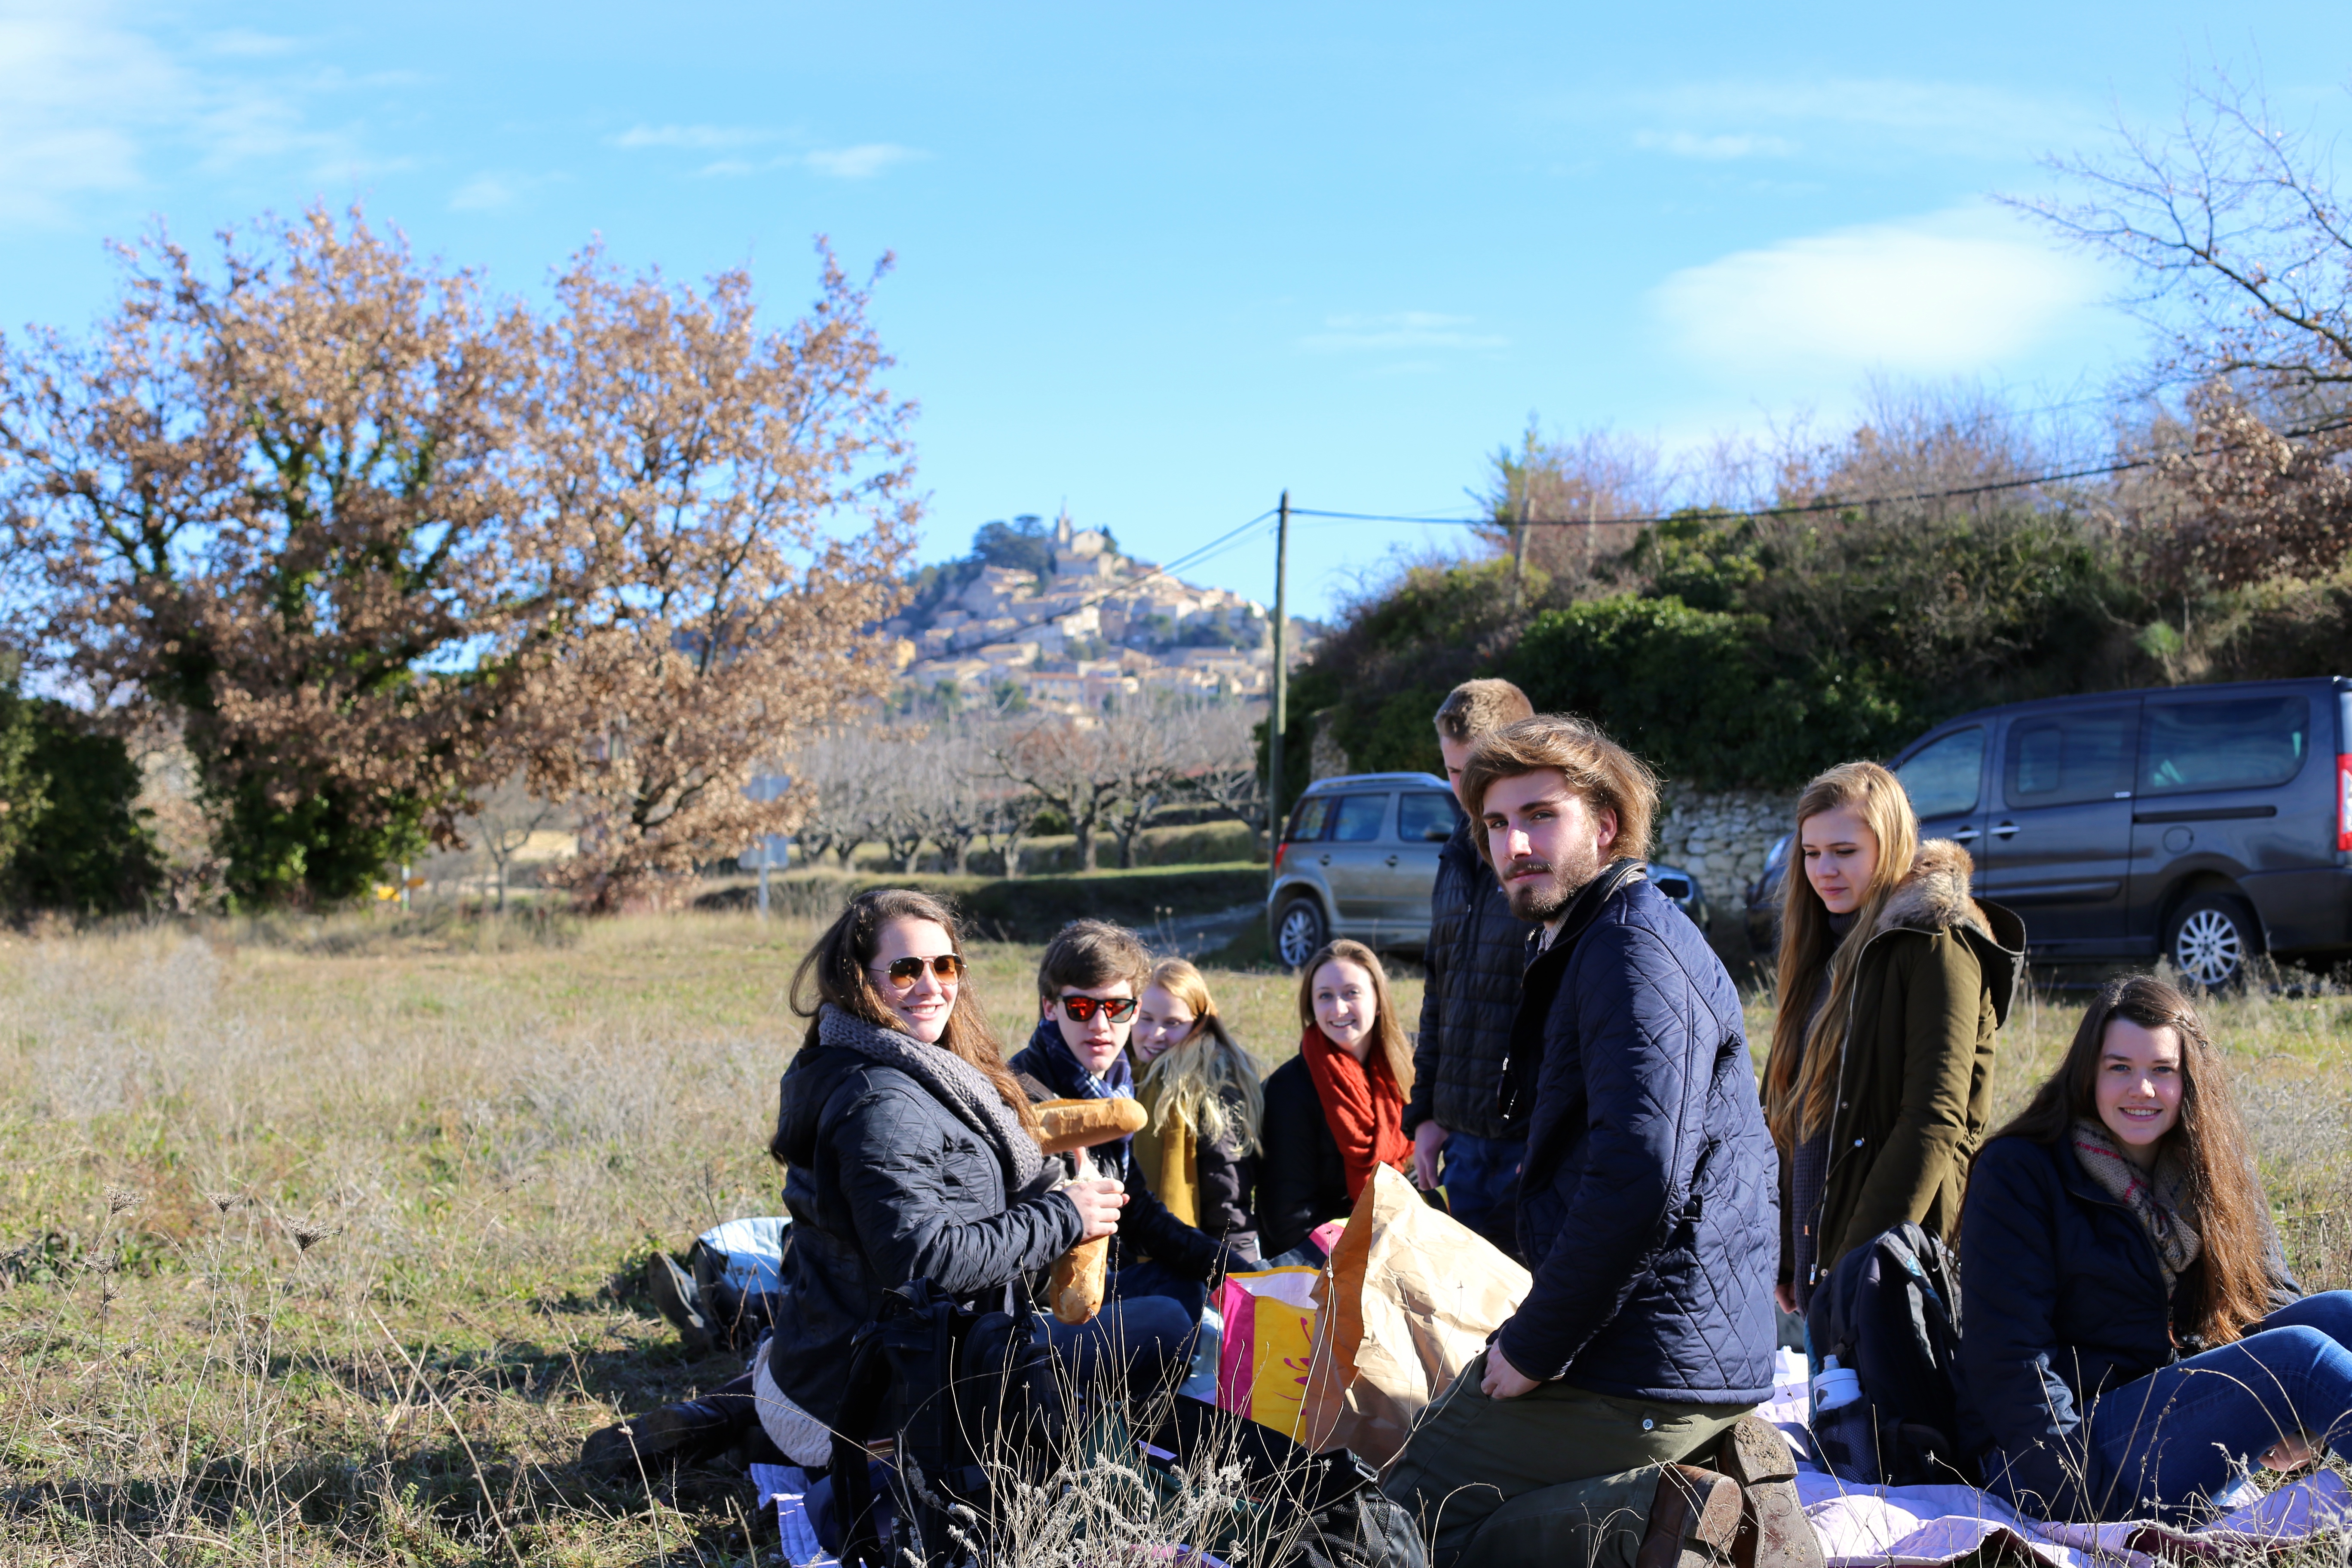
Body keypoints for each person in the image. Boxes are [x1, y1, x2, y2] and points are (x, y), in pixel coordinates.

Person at [1381, 715, 1816, 1568]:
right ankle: (1695, 1483)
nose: (1515, 845)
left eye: (1541, 815)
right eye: (1498, 826)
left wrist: (1536, 1344)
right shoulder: (1601, 940)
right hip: (1676, 1346)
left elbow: (1639, 1176)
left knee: (1409, 1516)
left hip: (1648, 1359)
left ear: (1606, 826)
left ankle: (1655, 1516)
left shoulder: (1629, 949)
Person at [751, 891, 1194, 1470]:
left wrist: (1057, 1188)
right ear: (859, 979)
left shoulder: (921, 1067)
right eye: (906, 970)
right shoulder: (881, 1102)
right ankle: (1057, 1457)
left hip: (861, 1355)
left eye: (946, 966)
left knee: (1152, 1301)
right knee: (1170, 1322)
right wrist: (1068, 1216)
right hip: (879, 1397)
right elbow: (924, 1263)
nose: (932, 986)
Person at [1958, 975, 2352, 1522]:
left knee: (2341, 1314)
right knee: (2301, 1360)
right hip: (2061, 1456)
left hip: (2169, 1413)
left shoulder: (2213, 1164)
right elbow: (2009, 1362)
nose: (2141, 1089)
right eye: (2120, 1067)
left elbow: (2270, 1302)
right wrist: (2090, 1499)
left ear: (2190, 1079)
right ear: (2088, 1073)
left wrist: (2299, 1422)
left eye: (2162, 1071)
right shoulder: (2021, 1172)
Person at [1762, 761, 2024, 1314]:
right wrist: (1787, 1255)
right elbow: (1791, 1115)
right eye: (1811, 854)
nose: (1824, 870)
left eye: (1845, 851)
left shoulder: (1936, 943)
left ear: (1893, 845)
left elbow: (1934, 1118)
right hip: (1825, 1268)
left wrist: (1859, 1263)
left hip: (1897, 1268)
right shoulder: (1820, 951)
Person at [1009, 920, 1242, 1320]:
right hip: (1038, 1306)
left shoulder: (1113, 1090)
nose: (1101, 1026)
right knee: (1167, 1320)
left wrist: (1238, 1271)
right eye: (1080, 1007)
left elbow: (1136, 1212)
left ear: (1134, 1011)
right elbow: (1032, 1257)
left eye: (1116, 1008)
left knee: (1188, 1286)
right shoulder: (1025, 1095)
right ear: (1050, 1007)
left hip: (1102, 1279)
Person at [1408, 678, 1537, 1259]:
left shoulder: (1547, 862)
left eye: (1474, 770)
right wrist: (1428, 1113)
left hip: (1529, 1145)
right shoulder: (1456, 855)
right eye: (1451, 771)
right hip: (1460, 1143)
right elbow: (1440, 988)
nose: (1461, 789)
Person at [1258, 938, 1416, 1265]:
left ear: (1377, 1001)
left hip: (1402, 1242)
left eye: (1351, 993)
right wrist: (1365, 1260)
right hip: (1322, 1266)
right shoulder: (1289, 1089)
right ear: (1311, 1006)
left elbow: (1413, 1177)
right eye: (1325, 996)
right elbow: (1288, 1220)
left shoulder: (1407, 1070)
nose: (1339, 1009)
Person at [1129, 957, 1266, 1263]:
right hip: (1124, 1266)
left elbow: (1227, 1192)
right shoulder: (1115, 1074)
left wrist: (1233, 1272)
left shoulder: (1212, 1084)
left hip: (1196, 1265)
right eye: (1146, 1018)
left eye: (1173, 1023)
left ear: (1199, 1023)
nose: (1155, 1034)